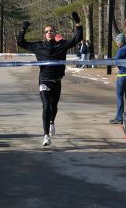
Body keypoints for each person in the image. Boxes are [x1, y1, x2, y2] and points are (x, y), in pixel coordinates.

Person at [18, 12, 83, 147]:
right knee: (46, 106)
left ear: (54, 33)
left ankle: (52, 122)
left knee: (54, 108)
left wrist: (78, 23)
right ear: (44, 35)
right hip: (44, 81)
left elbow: (77, 38)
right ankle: (46, 135)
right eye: (47, 31)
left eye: (51, 31)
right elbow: (20, 42)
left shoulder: (62, 45)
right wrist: (23, 29)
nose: (49, 33)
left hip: (57, 81)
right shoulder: (38, 46)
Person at [110, 33, 126, 124]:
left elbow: (116, 61)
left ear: (120, 42)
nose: (117, 44)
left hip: (122, 76)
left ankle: (119, 118)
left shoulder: (121, 50)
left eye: (117, 42)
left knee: (120, 97)